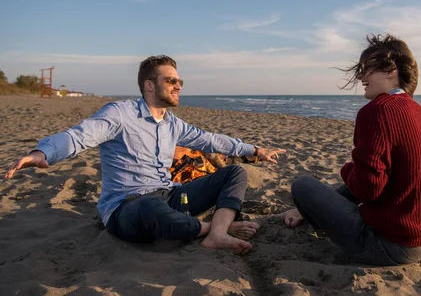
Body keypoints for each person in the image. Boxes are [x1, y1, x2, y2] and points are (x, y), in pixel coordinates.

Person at [5, 55, 285, 253]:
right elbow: (81, 135)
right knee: (151, 207)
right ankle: (211, 230)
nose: (179, 86)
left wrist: (256, 151)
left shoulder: (173, 124)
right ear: (149, 85)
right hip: (127, 208)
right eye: (172, 80)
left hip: (171, 197)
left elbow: (211, 140)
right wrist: (43, 152)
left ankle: (217, 233)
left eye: (180, 81)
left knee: (234, 172)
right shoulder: (120, 114)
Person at [279, 34, 421, 265]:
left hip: (392, 245)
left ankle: (308, 213)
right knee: (355, 180)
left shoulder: (377, 110)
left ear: (391, 69)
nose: (361, 76)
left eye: (367, 68)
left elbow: (368, 189)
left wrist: (347, 169)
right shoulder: (419, 112)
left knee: (303, 184)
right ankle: (303, 214)